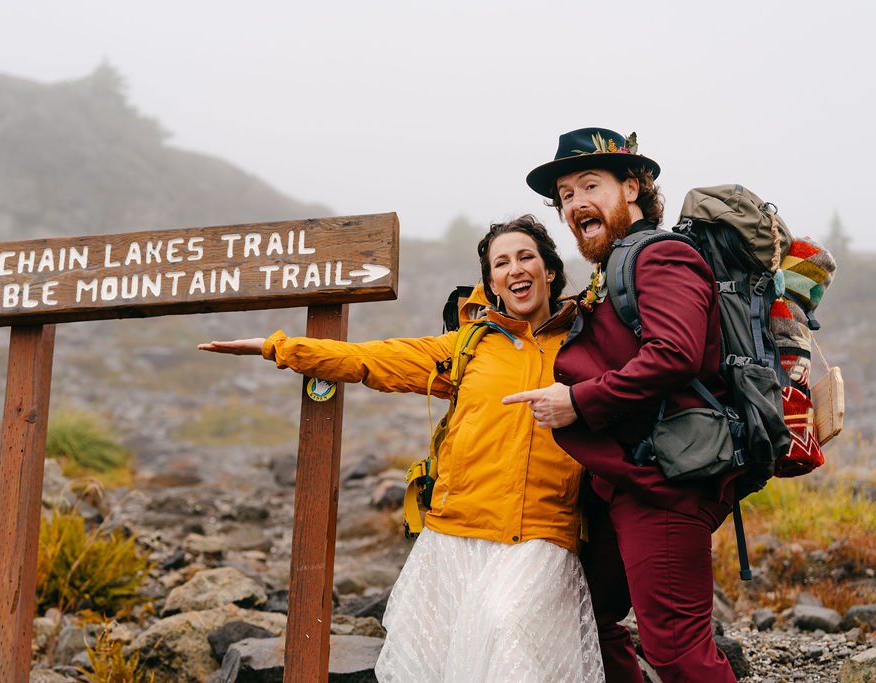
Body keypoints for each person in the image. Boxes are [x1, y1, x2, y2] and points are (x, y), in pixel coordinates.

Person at [199, 216, 603, 682]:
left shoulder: (586, 342)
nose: (515, 268)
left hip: (539, 534)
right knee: (440, 660)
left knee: (505, 628)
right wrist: (278, 348)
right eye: (501, 262)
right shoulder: (468, 347)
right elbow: (371, 358)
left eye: (526, 257)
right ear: (491, 282)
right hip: (457, 534)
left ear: (549, 271)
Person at [504, 127, 738, 683]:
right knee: (587, 613)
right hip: (624, 480)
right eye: (565, 195)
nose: (576, 202)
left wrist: (577, 403)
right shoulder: (613, 270)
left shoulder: (660, 256)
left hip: (666, 486)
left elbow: (674, 354)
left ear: (632, 188)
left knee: (678, 650)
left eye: (591, 184)